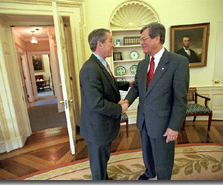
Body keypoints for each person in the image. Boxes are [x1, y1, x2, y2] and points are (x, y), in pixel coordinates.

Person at [120, 22, 189, 180]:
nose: (141, 42)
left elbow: (180, 99)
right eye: (141, 39)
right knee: (147, 153)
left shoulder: (178, 62)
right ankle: (150, 173)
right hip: (144, 120)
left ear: (157, 38)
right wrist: (126, 102)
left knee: (164, 159)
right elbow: (137, 87)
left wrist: (174, 126)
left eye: (144, 39)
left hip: (164, 124)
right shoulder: (143, 64)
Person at [79, 28, 132, 180]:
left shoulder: (100, 64)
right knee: (98, 163)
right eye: (110, 41)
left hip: (103, 124)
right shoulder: (90, 68)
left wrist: (127, 84)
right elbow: (96, 103)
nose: (113, 45)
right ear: (99, 44)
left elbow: (108, 83)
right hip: (97, 127)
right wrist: (119, 108)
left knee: (102, 160)